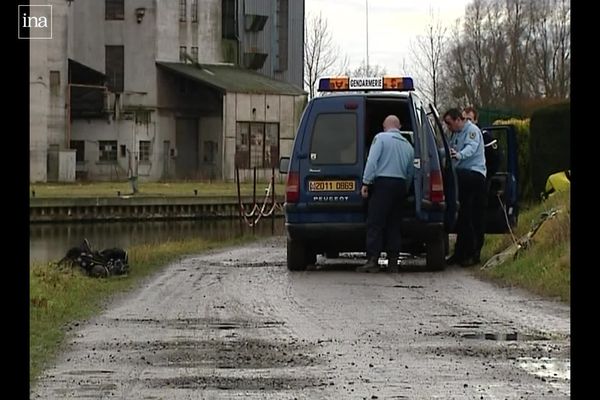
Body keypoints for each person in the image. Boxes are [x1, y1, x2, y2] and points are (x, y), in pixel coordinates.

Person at [356, 115, 415, 273]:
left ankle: (373, 260)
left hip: (383, 185)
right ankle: (393, 262)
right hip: (400, 185)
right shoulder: (408, 146)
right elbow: (410, 172)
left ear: (385, 126)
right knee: (394, 225)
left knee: (375, 222)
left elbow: (372, 161)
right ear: (399, 126)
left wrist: (366, 182)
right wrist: (405, 188)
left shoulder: (381, 138)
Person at [444, 108, 486, 267]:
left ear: (458, 120)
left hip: (474, 175)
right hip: (462, 175)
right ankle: (460, 253)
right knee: (462, 216)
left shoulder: (472, 131)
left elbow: (471, 148)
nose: (448, 127)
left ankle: (474, 254)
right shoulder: (454, 134)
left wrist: (459, 155)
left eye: (449, 123)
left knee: (474, 216)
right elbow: (448, 150)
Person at [462, 106, 501, 262]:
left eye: (470, 119)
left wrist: (486, 178)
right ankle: (462, 251)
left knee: (477, 217)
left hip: (479, 181)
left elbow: (495, 159)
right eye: (464, 119)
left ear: (476, 120)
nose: (467, 122)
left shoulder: (484, 137)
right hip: (467, 181)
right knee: (465, 217)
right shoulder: (460, 135)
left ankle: (475, 253)